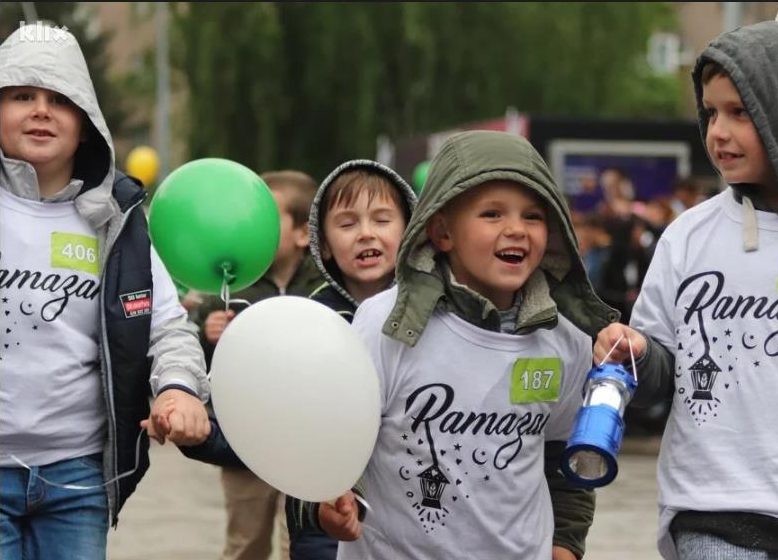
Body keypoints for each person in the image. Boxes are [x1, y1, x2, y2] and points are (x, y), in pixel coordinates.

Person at [593, 21, 778, 559]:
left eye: (740, 112)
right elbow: (659, 374)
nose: (717, 132)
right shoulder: (687, 236)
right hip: (712, 511)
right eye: (710, 112)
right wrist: (638, 353)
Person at [319, 130, 619, 560]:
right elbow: (338, 440)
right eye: (492, 214)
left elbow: (566, 454)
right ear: (442, 231)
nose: (516, 230)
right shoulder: (386, 324)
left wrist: (565, 545)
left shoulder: (565, 339)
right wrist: (332, 504)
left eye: (533, 216)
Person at [0, 24, 210, 560]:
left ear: (86, 123)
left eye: (60, 100)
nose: (41, 111)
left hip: (78, 478)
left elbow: (167, 326)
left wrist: (180, 388)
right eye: (22, 95)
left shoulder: (118, 222)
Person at [285, 159, 417, 559]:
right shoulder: (307, 319)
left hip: (415, 514)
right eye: (347, 224)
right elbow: (289, 431)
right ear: (323, 243)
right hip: (326, 518)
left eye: (382, 220)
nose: (366, 234)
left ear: (409, 229)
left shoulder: (435, 317)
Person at [194, 170, 323, 560]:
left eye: (267, 219)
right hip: (245, 440)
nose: (253, 227)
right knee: (245, 542)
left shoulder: (324, 285)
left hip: (309, 439)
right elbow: (199, 356)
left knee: (298, 543)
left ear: (302, 234)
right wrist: (208, 333)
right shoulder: (233, 285)